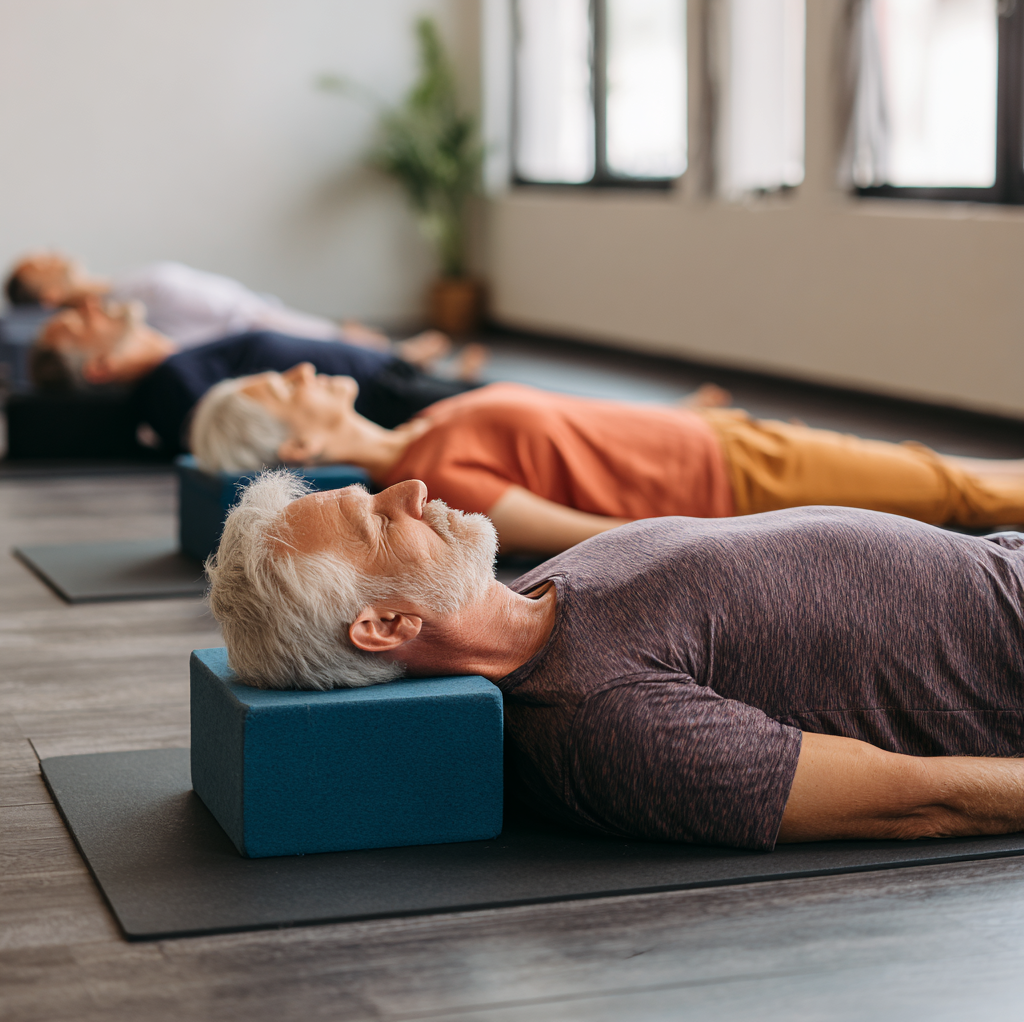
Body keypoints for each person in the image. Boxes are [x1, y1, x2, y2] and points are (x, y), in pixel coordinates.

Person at [205, 472, 1024, 851]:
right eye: (381, 521)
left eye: (374, 490)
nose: (412, 489)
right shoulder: (603, 723)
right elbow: (917, 802)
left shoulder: (533, 595)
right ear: (385, 624)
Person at [190, 365, 1024, 554]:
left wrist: (676, 418)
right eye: (280, 386)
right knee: (956, 491)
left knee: (942, 475)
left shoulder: (427, 422)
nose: (300, 369)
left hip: (720, 442)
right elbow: (602, 531)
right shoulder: (432, 474)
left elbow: (575, 424)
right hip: (733, 482)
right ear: (296, 447)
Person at [29, 301, 478, 455]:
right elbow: (236, 437)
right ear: (100, 366)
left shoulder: (174, 364)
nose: (90, 307)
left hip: (379, 372)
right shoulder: (169, 389)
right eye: (75, 325)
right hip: (380, 396)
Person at [4, 251, 458, 367]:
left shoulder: (118, 294)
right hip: (243, 320)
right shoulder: (116, 315)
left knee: (341, 335)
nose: (51, 255)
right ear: (46, 298)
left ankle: (397, 354)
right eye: (39, 266)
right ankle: (400, 358)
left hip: (248, 309)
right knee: (334, 339)